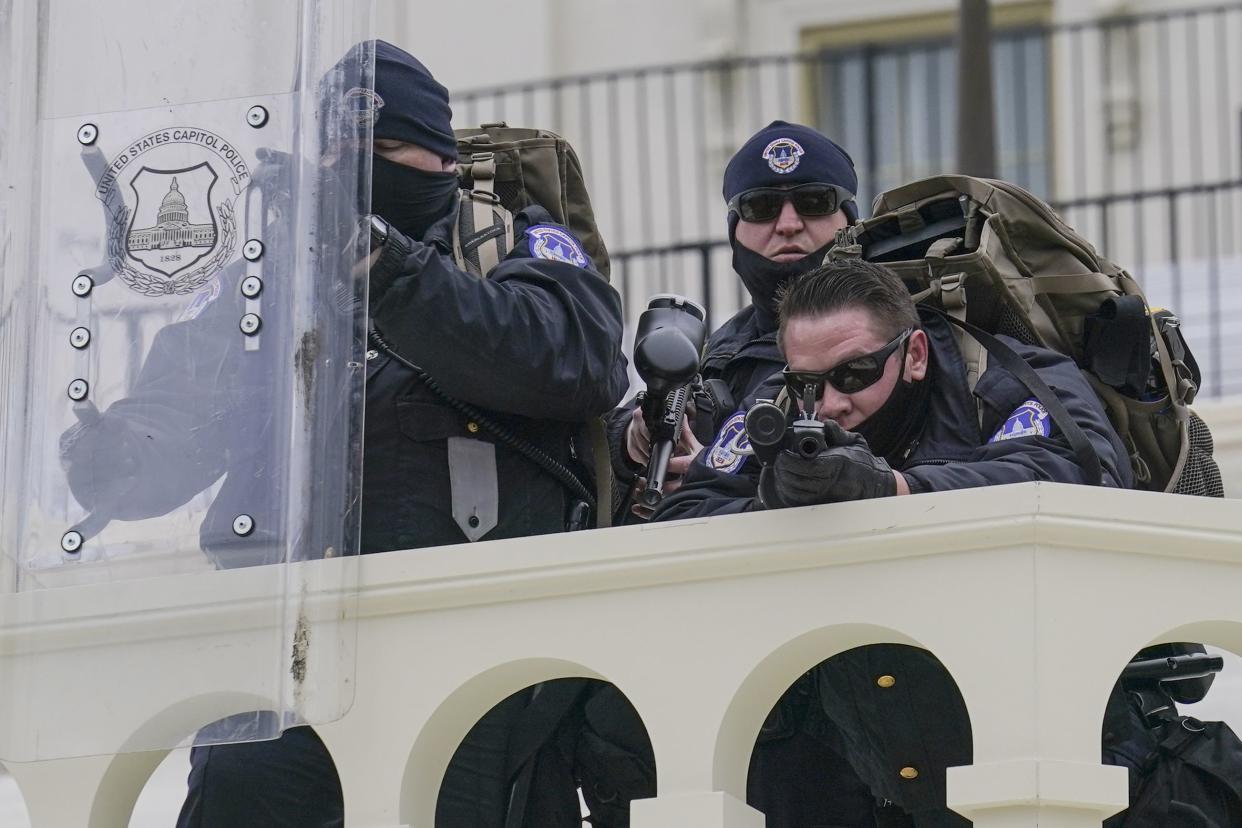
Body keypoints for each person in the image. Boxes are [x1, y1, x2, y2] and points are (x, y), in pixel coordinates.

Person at [59, 40, 631, 827]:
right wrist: (114, 456)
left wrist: (384, 267)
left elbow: (575, 356)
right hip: (284, 654)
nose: (351, 167)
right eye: (334, 149)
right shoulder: (269, 274)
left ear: (436, 155)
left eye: (381, 148)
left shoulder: (507, 241)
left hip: (465, 649)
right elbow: (179, 411)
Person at [653, 258, 1132, 826]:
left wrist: (898, 490)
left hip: (1022, 723)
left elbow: (1078, 475)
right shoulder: (777, 403)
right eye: (807, 381)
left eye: (853, 374)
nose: (828, 403)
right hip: (855, 741)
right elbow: (680, 520)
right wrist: (769, 505)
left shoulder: (1002, 378)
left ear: (916, 355)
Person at [607, 121, 860, 516]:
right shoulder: (718, 350)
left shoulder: (899, 332)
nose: (789, 223)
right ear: (734, 231)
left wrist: (721, 475)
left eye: (814, 202)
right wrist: (634, 438)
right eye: (761, 207)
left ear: (851, 223)